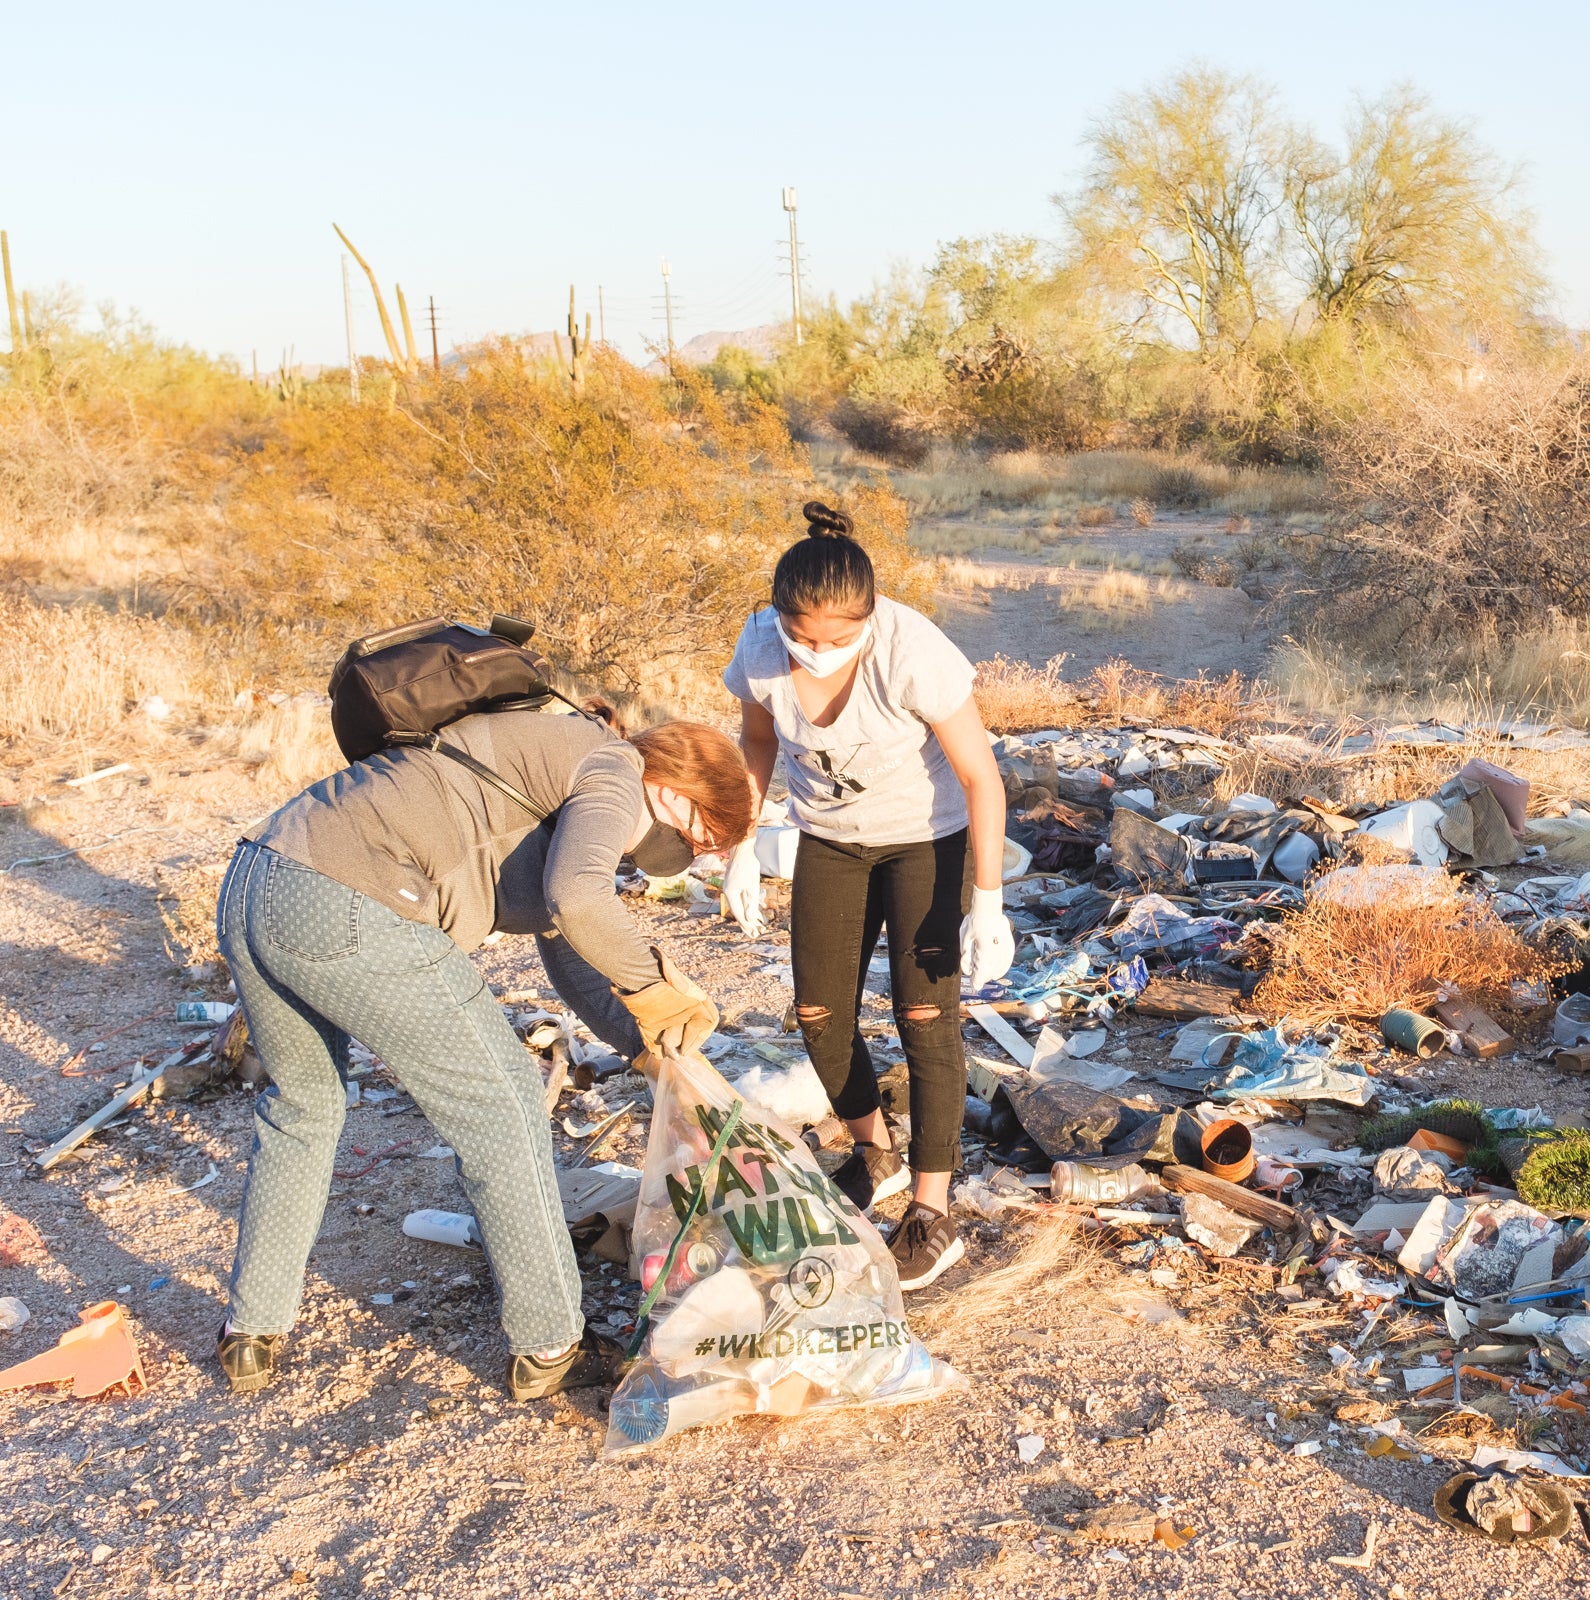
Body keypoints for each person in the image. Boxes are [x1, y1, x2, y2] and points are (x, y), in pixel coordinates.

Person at [213, 703, 754, 1400]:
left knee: (303, 1106)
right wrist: (658, 990)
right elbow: (579, 901)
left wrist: (649, 1048)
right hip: (355, 897)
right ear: (676, 793)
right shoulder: (616, 768)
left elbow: (570, 946)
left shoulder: (570, 774)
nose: (697, 857)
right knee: (505, 1106)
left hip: (258, 879)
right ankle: (551, 1345)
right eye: (702, 838)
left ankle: (248, 1334)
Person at [718, 500, 1012, 1293]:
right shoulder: (758, 647)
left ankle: (929, 1206)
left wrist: (987, 900)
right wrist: (741, 847)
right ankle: (872, 1150)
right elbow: (755, 742)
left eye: (838, 640)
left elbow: (983, 776)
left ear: (870, 619)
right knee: (819, 1015)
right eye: (801, 637)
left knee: (924, 1017)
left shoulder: (912, 652)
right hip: (829, 840)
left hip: (926, 839)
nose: (816, 654)